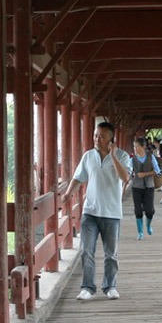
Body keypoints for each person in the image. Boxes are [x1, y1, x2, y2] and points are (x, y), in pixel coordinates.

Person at [63, 121, 132, 300]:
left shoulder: (123, 156)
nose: (97, 139)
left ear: (112, 139)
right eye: (95, 135)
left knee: (111, 254)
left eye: (101, 136)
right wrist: (68, 194)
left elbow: (125, 178)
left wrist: (113, 156)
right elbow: (78, 177)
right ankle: (87, 287)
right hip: (90, 211)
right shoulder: (88, 156)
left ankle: (110, 286)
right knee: (87, 250)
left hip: (111, 213)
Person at [129, 137, 160, 239]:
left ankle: (148, 225)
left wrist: (145, 174)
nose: (135, 149)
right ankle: (140, 232)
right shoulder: (132, 160)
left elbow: (157, 171)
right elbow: (128, 171)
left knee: (149, 210)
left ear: (144, 146)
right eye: (134, 147)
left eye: (137, 147)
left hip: (149, 186)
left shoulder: (151, 157)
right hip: (136, 187)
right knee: (138, 210)